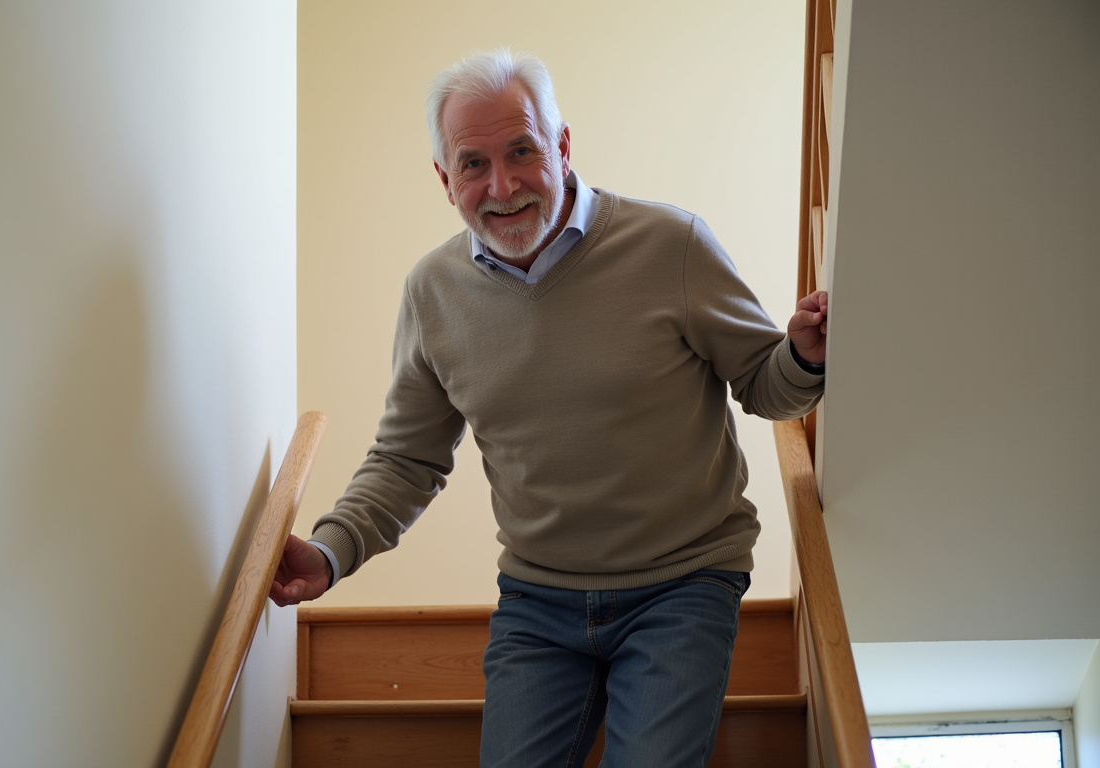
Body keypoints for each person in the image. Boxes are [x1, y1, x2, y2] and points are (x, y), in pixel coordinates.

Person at [270, 49, 828, 767]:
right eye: (473, 164)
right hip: (537, 599)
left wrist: (803, 356)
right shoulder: (432, 292)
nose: (502, 186)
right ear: (445, 179)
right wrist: (329, 552)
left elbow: (763, 383)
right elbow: (406, 461)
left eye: (522, 151)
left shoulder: (671, 245)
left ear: (562, 146)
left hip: (685, 582)